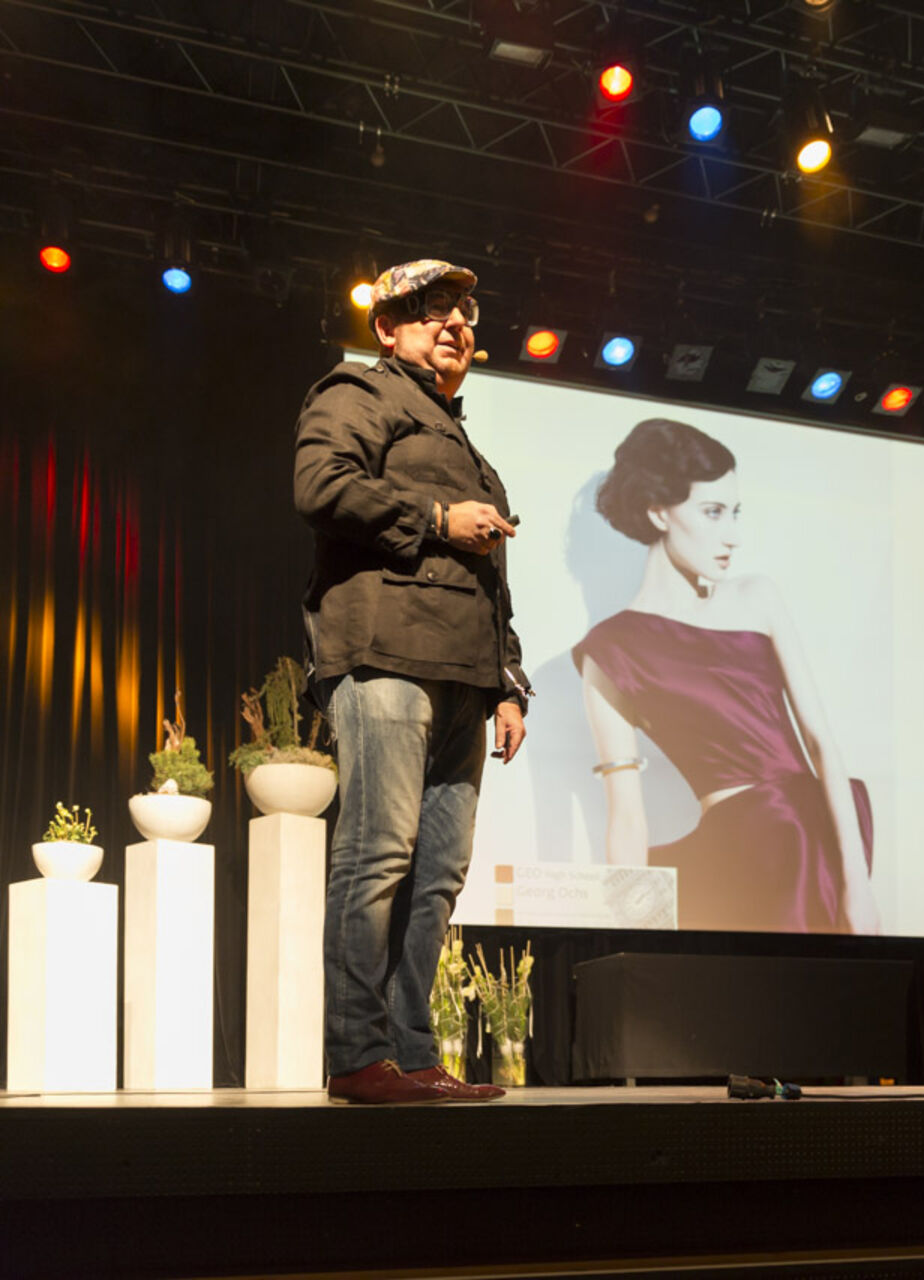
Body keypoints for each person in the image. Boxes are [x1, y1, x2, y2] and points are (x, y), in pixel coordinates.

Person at [293, 259, 531, 1104]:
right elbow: (320, 485)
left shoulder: (473, 455)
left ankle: (411, 1053)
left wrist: (510, 684)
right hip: (386, 654)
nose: (456, 323)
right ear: (387, 329)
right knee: (379, 854)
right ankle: (358, 1057)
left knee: (437, 876)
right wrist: (434, 518)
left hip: (466, 675)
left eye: (465, 311)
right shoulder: (359, 391)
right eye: (433, 310)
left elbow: (493, 583)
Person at [571, 418, 881, 934]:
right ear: (658, 511)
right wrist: (629, 932)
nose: (732, 537)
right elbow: (626, 815)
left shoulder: (756, 597)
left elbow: (820, 741)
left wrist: (858, 886)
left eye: (735, 513)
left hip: (811, 842)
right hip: (739, 858)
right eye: (712, 512)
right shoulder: (610, 650)